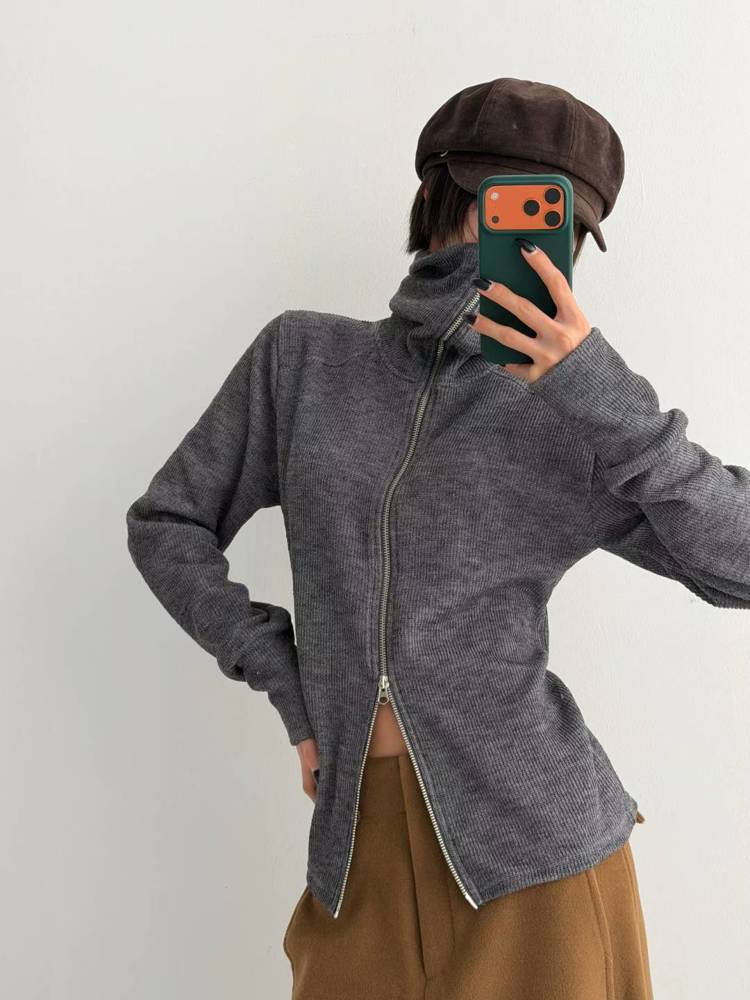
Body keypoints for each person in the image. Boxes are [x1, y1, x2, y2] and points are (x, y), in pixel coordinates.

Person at [125, 78, 750, 999]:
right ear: (441, 195)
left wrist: (599, 393)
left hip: (536, 864)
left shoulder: (575, 416)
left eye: (555, 227)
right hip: (356, 856)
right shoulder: (304, 362)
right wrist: (289, 680)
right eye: (508, 208)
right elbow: (167, 524)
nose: (525, 245)